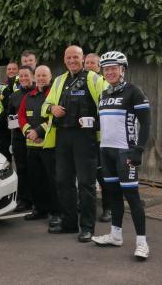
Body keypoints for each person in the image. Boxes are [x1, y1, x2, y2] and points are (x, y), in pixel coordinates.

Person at [42, 45, 107, 242]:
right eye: (68, 57)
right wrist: (52, 108)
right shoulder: (60, 80)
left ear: (83, 58)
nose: (72, 61)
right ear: (64, 60)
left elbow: (107, 104)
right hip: (62, 136)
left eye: (76, 57)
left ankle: (87, 227)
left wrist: (95, 124)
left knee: (86, 184)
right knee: (63, 182)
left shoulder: (94, 78)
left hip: (85, 139)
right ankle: (69, 223)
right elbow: (46, 105)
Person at [91, 51, 152, 261]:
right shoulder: (103, 95)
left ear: (122, 70)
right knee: (113, 195)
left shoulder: (133, 91)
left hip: (125, 152)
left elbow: (146, 123)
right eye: (106, 69)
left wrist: (138, 150)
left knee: (132, 197)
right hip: (106, 151)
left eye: (113, 68)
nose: (109, 72)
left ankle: (142, 243)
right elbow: (104, 124)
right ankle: (115, 235)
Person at [19, 65, 61, 226]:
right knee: (35, 180)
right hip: (31, 145)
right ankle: (40, 209)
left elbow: (53, 118)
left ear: (50, 77)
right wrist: (29, 131)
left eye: (44, 75)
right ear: (34, 78)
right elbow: (21, 116)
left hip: (49, 146)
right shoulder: (28, 96)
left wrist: (38, 132)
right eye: (39, 75)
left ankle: (56, 212)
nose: (41, 78)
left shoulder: (54, 94)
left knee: (52, 180)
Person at [84, 53, 112, 223]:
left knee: (103, 174)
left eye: (92, 63)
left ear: (99, 66)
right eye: (86, 63)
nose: (89, 65)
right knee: (87, 174)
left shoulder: (104, 84)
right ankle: (87, 205)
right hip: (84, 138)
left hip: (101, 138)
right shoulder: (80, 83)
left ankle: (108, 208)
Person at [7, 65, 35, 212]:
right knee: (22, 169)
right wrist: (13, 120)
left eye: (26, 75)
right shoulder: (14, 96)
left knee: (36, 170)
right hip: (19, 137)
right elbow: (9, 117)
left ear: (33, 77)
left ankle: (37, 199)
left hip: (36, 138)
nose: (24, 78)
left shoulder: (39, 92)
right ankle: (23, 199)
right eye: (21, 76)